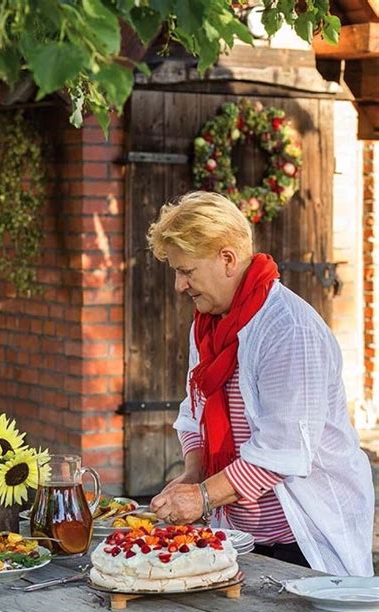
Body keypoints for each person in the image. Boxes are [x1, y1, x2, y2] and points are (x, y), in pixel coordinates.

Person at [147, 191, 374, 576]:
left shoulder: (288, 329)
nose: (178, 285)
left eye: (186, 271)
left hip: (304, 542)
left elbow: (281, 453)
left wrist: (202, 497)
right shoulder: (207, 325)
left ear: (228, 259)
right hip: (240, 538)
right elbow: (194, 413)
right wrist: (194, 473)